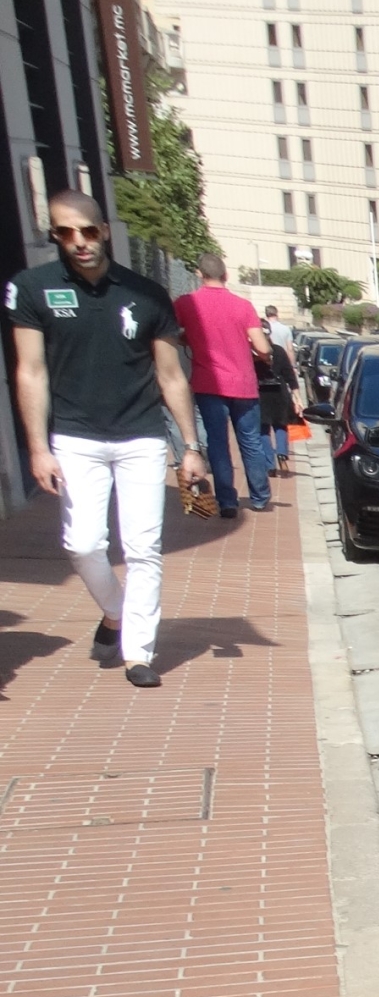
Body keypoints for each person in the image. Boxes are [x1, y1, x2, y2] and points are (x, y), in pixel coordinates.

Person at [7, 190, 211, 689]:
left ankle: (138, 651)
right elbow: (30, 371)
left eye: (88, 230)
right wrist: (37, 448)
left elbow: (171, 377)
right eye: (65, 232)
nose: (79, 242)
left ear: (105, 230)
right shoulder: (31, 288)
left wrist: (191, 447)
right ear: (53, 235)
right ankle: (117, 613)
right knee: (82, 544)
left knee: (143, 548)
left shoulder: (146, 294)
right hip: (74, 438)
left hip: (140, 437)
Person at [172, 252, 275, 516]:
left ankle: (227, 501)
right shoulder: (243, 306)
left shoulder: (186, 303)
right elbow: (262, 346)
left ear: (199, 274)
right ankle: (260, 497)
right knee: (250, 442)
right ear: (226, 276)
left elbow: (170, 333)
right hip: (243, 384)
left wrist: (190, 340)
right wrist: (262, 354)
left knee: (218, 443)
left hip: (209, 384)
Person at [257, 336, 301, 477]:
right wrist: (297, 396)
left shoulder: (253, 352)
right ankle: (282, 454)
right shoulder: (278, 350)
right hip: (279, 393)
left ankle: (270, 465)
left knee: (263, 429)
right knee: (280, 425)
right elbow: (289, 374)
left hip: (260, 393)